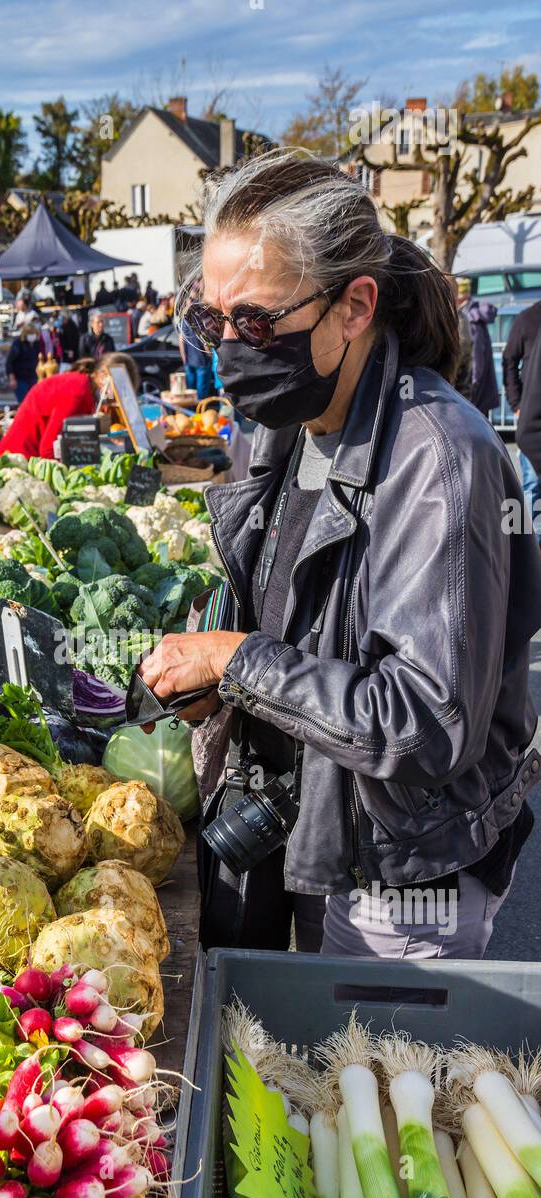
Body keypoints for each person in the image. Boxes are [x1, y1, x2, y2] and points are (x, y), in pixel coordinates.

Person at [138, 149, 541, 960]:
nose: (227, 351)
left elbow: (426, 724)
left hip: (401, 875)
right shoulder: (285, 425)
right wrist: (213, 682)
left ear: (356, 306)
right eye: (211, 321)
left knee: (374, 1081)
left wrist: (240, 662)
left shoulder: (440, 460)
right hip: (305, 825)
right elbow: (295, 619)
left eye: (256, 321)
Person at [0, 352, 140, 458]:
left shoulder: (84, 387)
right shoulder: (78, 393)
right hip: (19, 460)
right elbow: (49, 450)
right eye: (119, 392)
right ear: (103, 377)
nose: (116, 400)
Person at [503, 298, 541, 542]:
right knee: (531, 489)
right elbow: (509, 362)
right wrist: (517, 405)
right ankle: (529, 549)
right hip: (532, 419)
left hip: (530, 420)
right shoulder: (527, 319)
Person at [455, 277, 499, 415]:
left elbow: (476, 360)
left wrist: (471, 390)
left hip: (475, 397)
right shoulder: (475, 314)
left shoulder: (470, 319)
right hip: (479, 394)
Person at [5, 317, 41, 403]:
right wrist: (12, 378)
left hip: (32, 377)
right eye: (30, 334)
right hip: (20, 378)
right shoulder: (18, 344)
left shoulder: (36, 344)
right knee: (24, 402)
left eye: (34, 334)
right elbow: (9, 362)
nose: (33, 336)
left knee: (34, 401)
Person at [179, 317, 215, 398]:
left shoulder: (184, 320)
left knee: (190, 390)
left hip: (189, 361)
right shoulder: (200, 319)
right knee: (201, 391)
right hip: (202, 361)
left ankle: (191, 409)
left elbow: (181, 340)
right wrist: (211, 355)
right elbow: (205, 341)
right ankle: (200, 409)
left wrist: (184, 359)